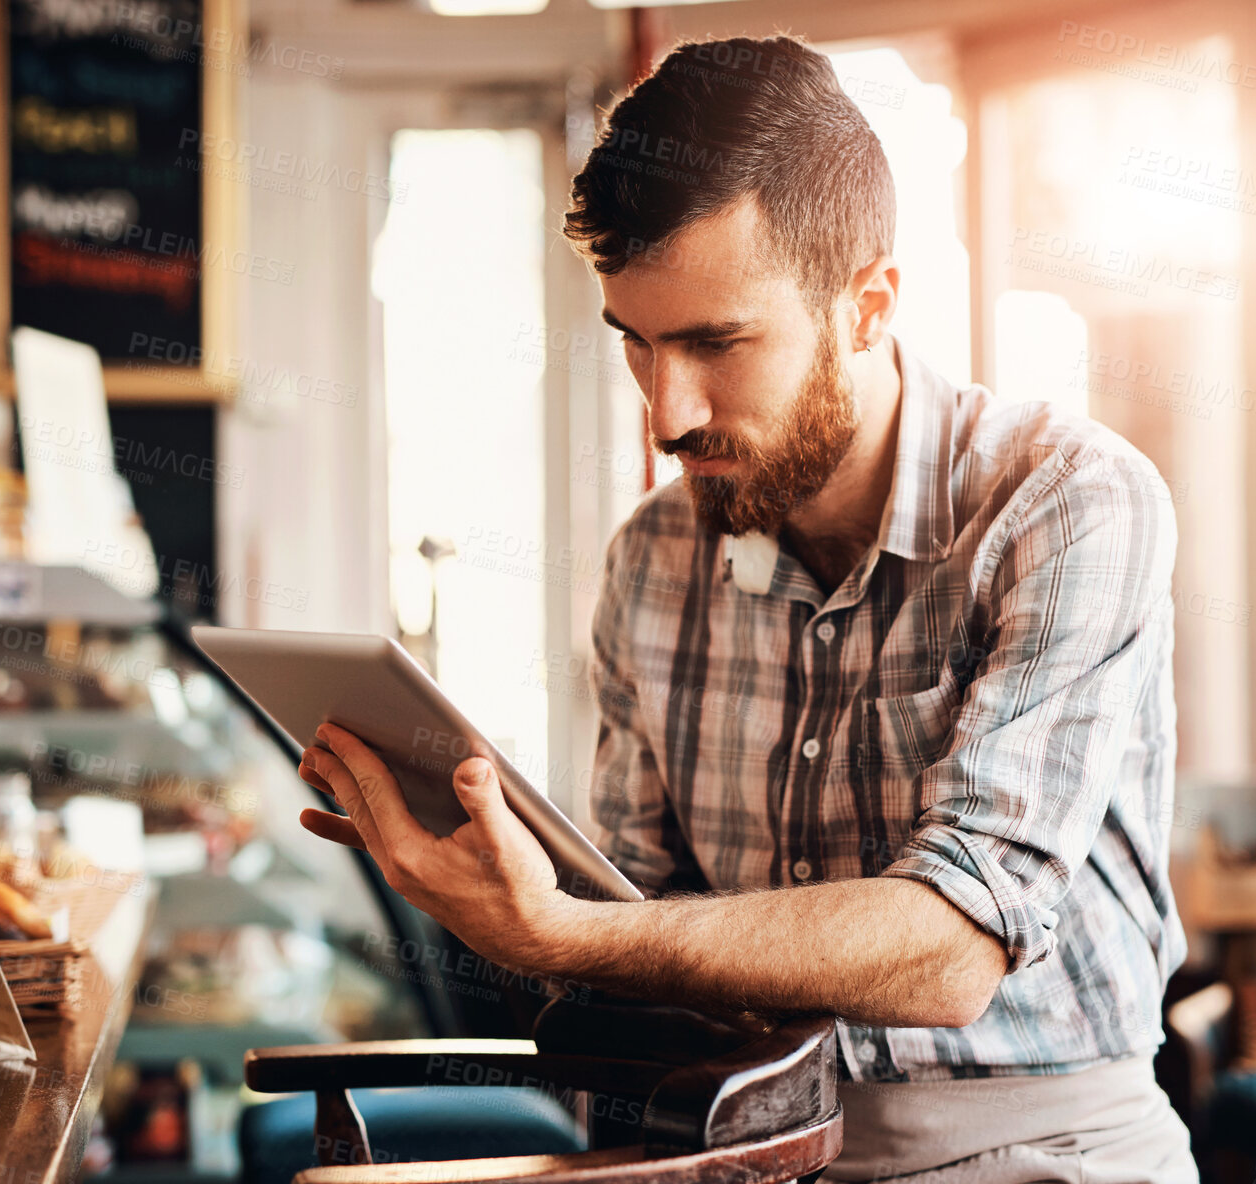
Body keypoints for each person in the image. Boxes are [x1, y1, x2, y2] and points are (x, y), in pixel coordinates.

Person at [296, 34, 1196, 1183]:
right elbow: (637, 928)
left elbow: (955, 949)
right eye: (636, 342)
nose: (665, 412)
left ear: (867, 306)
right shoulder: (653, 561)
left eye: (715, 343)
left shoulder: (1064, 502)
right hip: (731, 1144)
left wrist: (573, 932)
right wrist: (495, 893)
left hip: (1045, 1149)